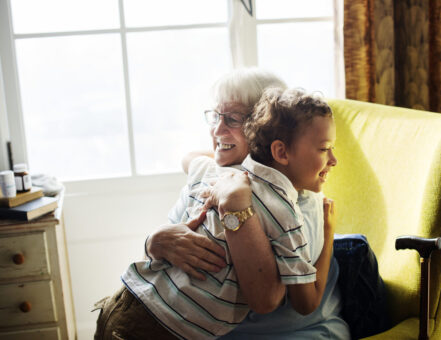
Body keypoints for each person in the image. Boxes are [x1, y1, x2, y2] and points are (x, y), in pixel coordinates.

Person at [94, 68, 350, 340]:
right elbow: (165, 263)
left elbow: (269, 299)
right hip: (152, 313)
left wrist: (236, 208)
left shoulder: (296, 205)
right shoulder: (213, 174)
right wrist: (154, 241)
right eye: (215, 115)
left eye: (233, 118)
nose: (217, 129)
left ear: (265, 126)